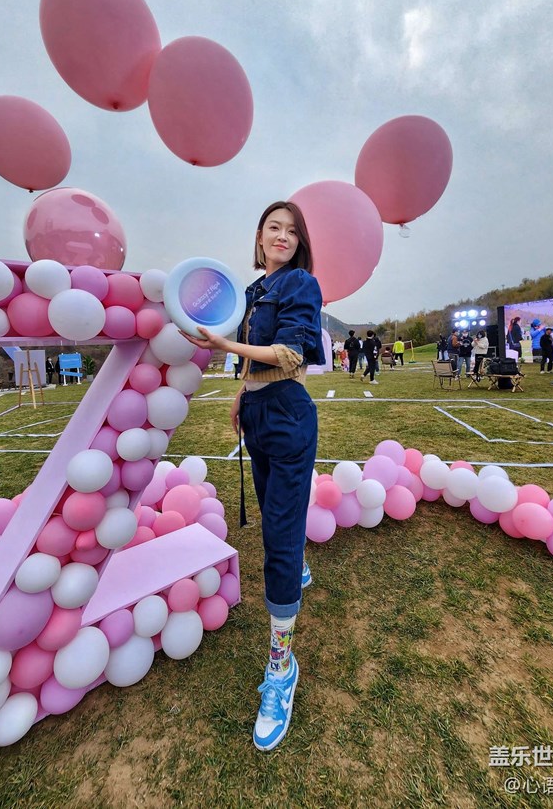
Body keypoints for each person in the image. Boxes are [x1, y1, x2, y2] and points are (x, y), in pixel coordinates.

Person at [180, 201, 324, 752]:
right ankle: (296, 558)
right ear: (260, 237)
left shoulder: (300, 284)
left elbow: (288, 355)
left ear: (299, 241)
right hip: (259, 411)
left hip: (287, 412)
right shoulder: (253, 289)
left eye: (291, 231)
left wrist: (225, 347)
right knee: (273, 513)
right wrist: (243, 391)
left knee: (277, 542)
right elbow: (253, 363)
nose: (282, 236)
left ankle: (282, 668)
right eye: (273, 228)